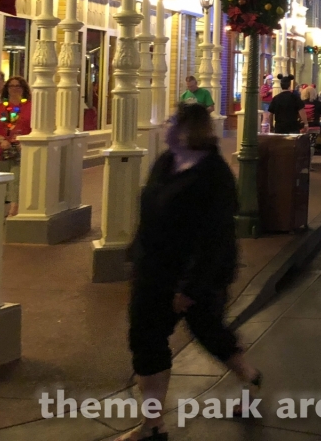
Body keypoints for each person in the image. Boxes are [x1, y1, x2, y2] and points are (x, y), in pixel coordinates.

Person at [119, 103, 259, 441]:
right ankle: (153, 425)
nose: (166, 127)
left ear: (188, 130)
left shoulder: (214, 175)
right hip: (155, 271)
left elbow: (215, 237)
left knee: (208, 331)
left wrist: (191, 287)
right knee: (146, 339)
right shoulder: (166, 162)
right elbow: (150, 210)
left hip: (193, 275)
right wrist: (136, 251)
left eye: (172, 122)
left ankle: (249, 376)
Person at [0, 75, 30, 218]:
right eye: (11, 86)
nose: (14, 89)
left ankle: (13, 210)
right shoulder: (0, 107)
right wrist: (1, 139)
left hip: (20, 148)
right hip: (1, 149)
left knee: (15, 179)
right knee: (1, 179)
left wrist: (25, 140)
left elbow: (35, 127)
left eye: (18, 86)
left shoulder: (30, 107)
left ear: (23, 88)